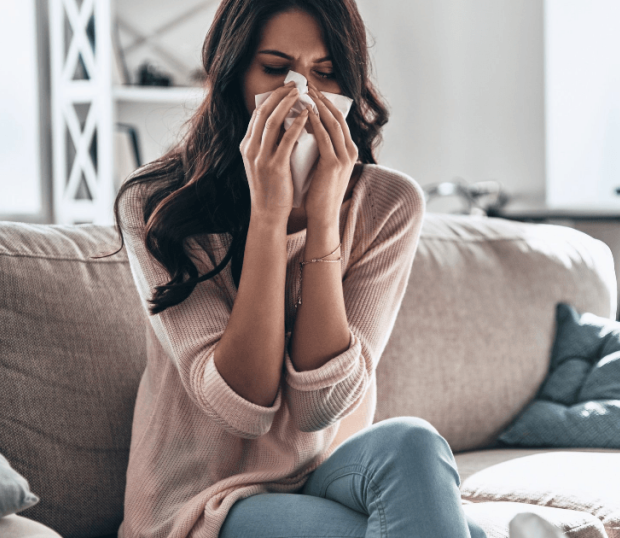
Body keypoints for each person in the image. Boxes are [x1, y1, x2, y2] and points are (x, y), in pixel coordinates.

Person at [101, 0, 489, 537]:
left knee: (413, 442)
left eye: (324, 73)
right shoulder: (158, 204)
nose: (301, 96)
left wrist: (324, 214)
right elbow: (244, 409)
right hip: (198, 506)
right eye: (276, 69)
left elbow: (319, 407)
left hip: (315, 475)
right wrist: (270, 214)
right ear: (234, 73)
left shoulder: (389, 205)